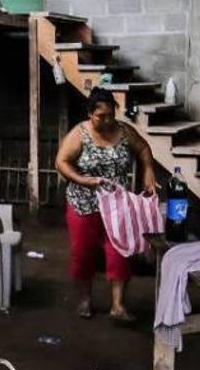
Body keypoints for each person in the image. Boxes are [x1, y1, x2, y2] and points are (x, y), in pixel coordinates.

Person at [54, 86, 158, 323]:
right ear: (90, 114)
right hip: (84, 203)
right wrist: (83, 180)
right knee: (83, 253)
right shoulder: (79, 134)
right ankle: (85, 299)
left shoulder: (124, 131)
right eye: (101, 116)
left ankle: (118, 305)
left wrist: (149, 170)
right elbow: (61, 162)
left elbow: (143, 148)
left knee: (120, 251)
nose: (108, 120)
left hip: (116, 205)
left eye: (111, 114)